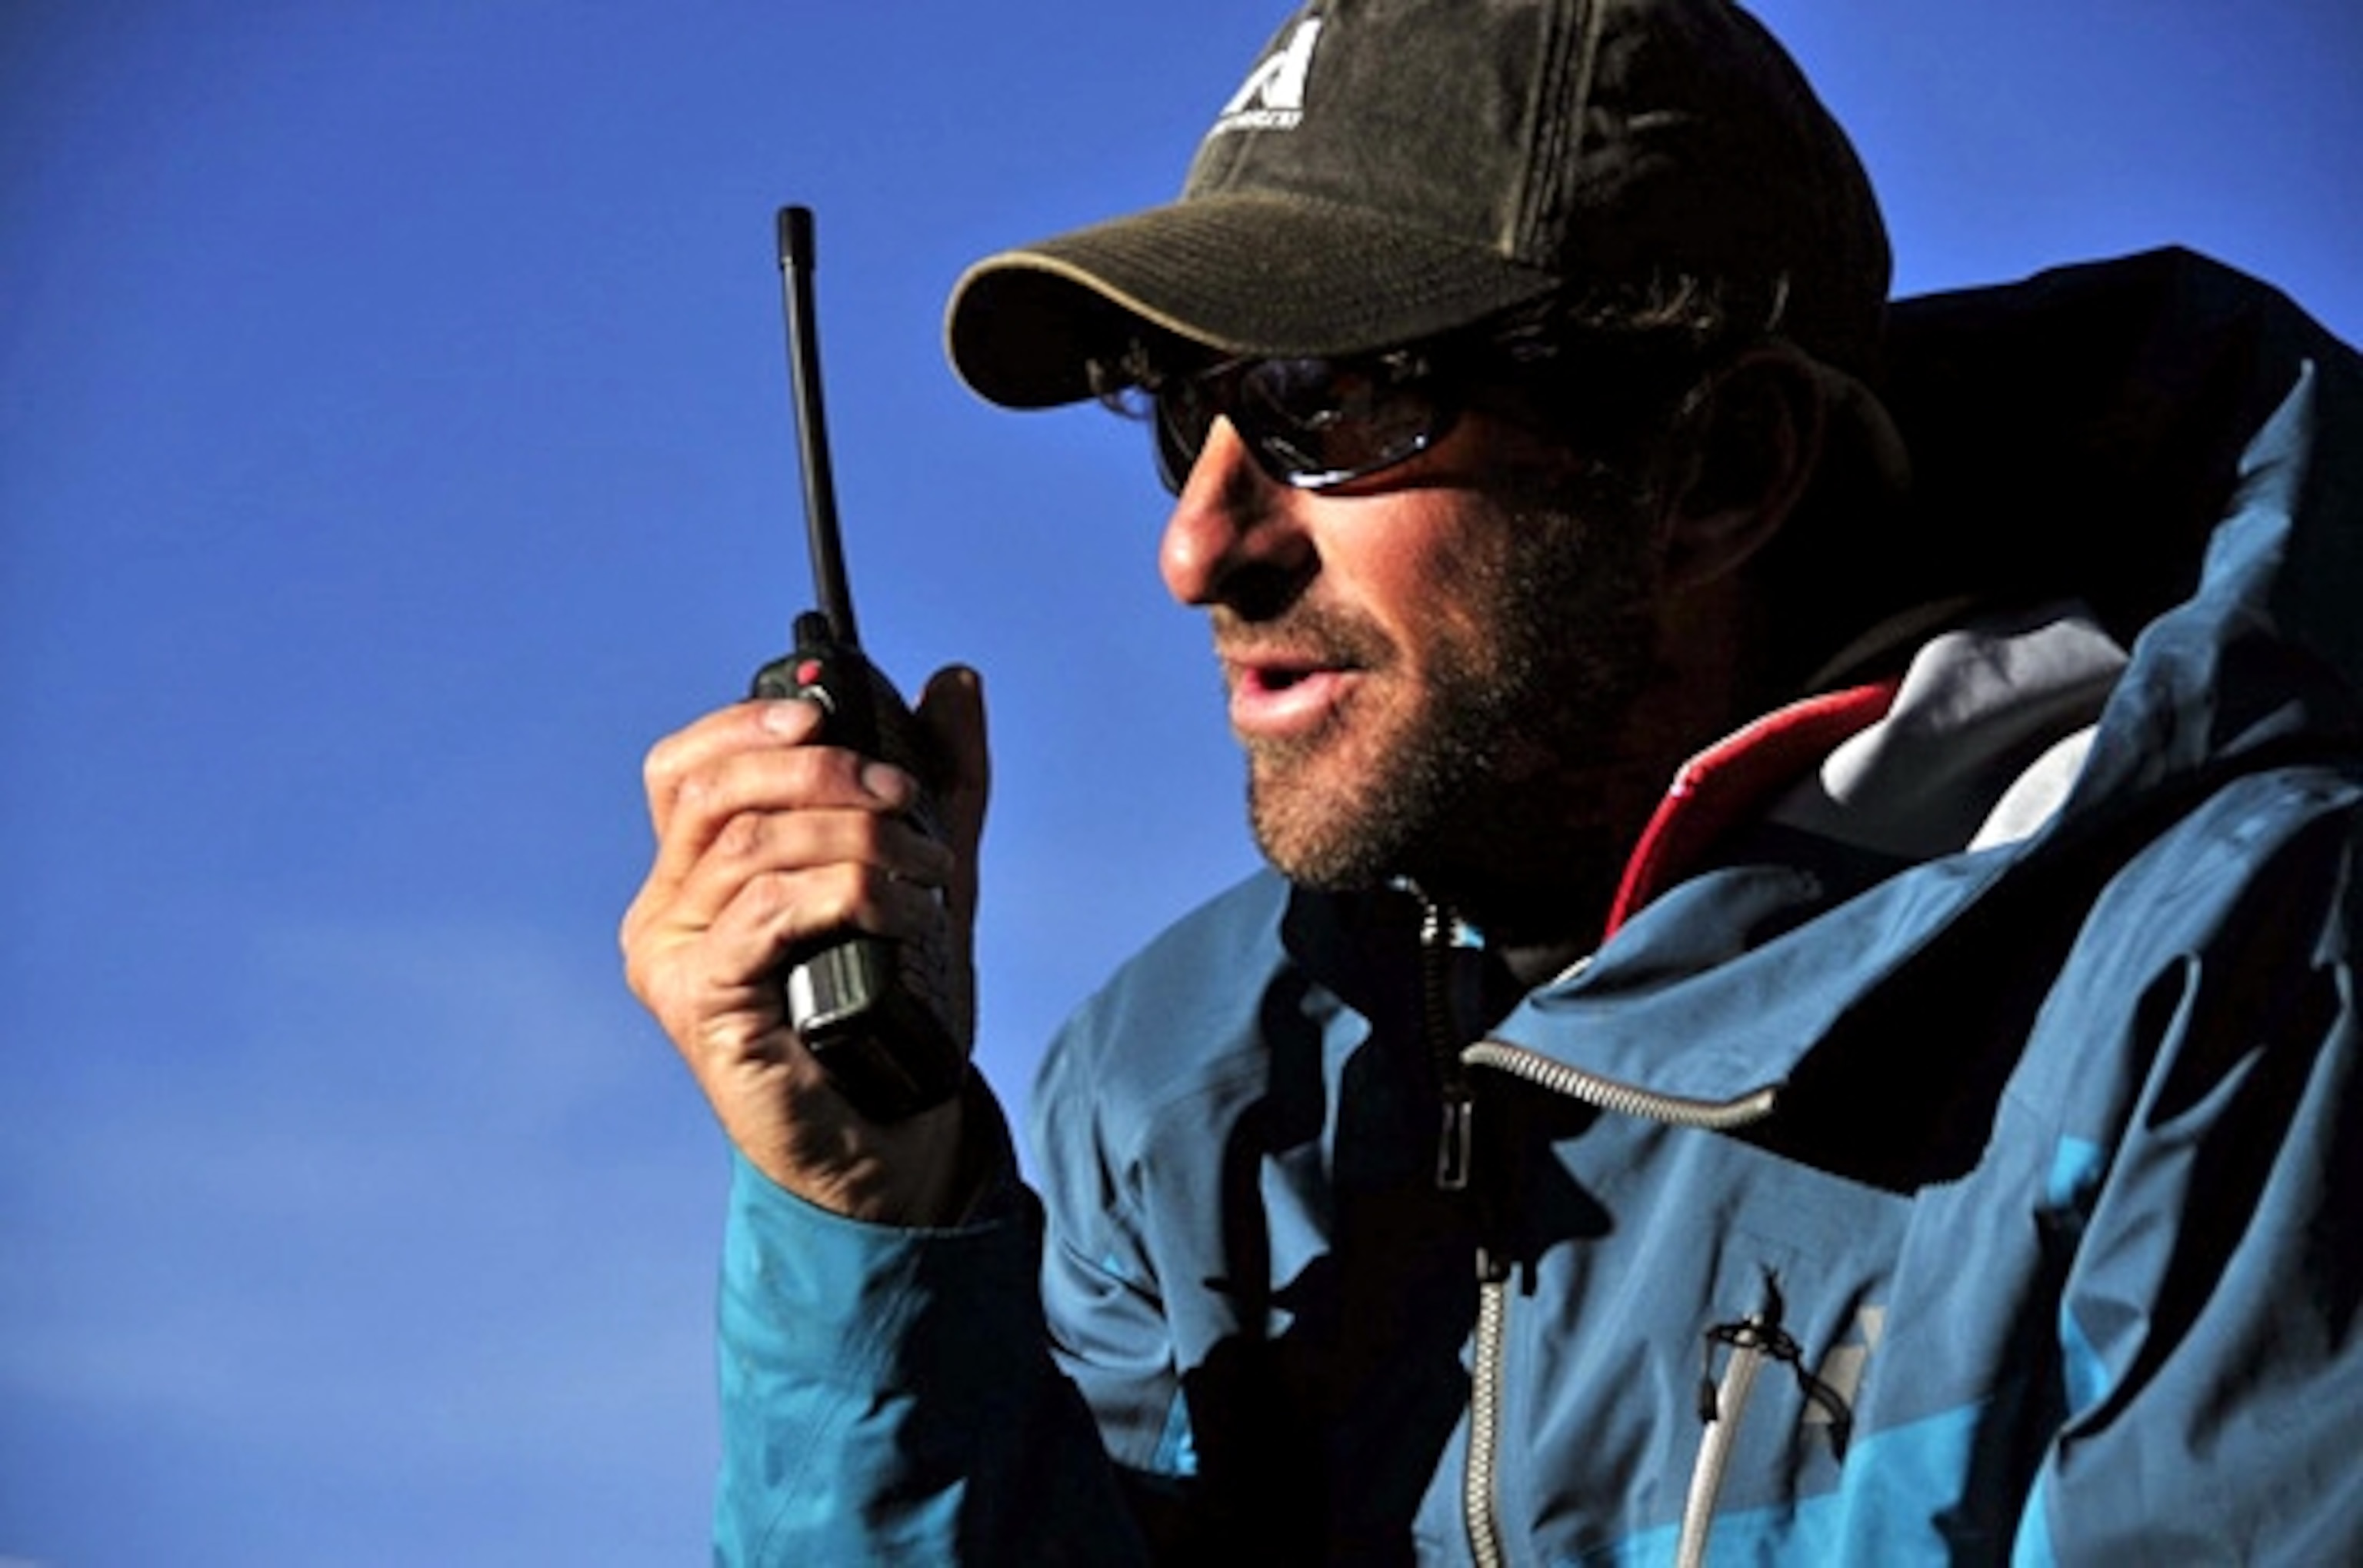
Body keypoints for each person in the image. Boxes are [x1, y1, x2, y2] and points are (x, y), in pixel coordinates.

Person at [621, 0, 2363, 1560]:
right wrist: (879, 1218)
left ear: (1725, 468)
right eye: (1180, 414)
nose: (1194, 544)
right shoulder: (1175, 1100)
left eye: (1329, 403)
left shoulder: (2240, 977)